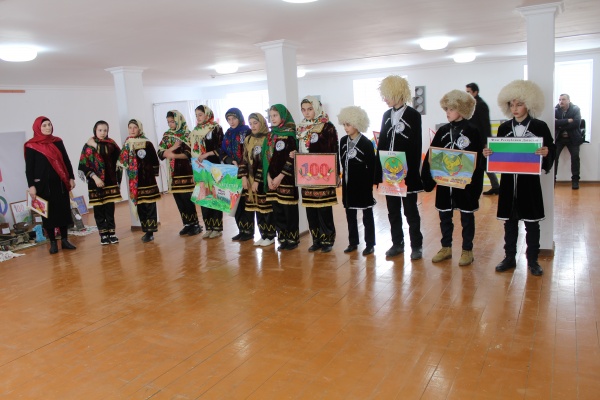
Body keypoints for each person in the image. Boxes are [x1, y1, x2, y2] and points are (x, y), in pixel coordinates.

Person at [483, 80, 555, 276]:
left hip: (529, 184)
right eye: (512, 104)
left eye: (519, 104)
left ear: (529, 104)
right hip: (508, 183)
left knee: (532, 223)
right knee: (509, 223)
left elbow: (551, 148)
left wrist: (547, 152)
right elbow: (498, 153)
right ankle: (509, 258)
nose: (515, 108)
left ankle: (533, 260)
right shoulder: (504, 128)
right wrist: (489, 153)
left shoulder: (540, 126)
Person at [421, 90, 484, 266]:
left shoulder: (473, 131)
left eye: (451, 109)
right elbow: (432, 155)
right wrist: (427, 179)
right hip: (444, 183)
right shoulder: (442, 130)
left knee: (466, 218)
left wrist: (475, 186)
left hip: (465, 185)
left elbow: (478, 160)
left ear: (462, 109)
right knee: (444, 216)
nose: (447, 112)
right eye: (446, 109)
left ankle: (467, 250)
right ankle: (446, 247)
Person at [376, 75, 424, 260]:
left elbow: (416, 146)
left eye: (387, 95)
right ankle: (397, 243)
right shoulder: (386, 115)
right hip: (388, 172)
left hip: (406, 173)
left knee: (410, 211)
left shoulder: (413, 115)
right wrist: (378, 173)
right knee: (392, 211)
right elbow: (382, 143)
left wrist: (410, 172)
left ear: (397, 93)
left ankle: (416, 245)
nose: (385, 99)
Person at [25, 116, 77, 254]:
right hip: (43, 186)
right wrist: (31, 186)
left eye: (49, 124)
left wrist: (71, 177)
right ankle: (53, 242)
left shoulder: (57, 141)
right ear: (37, 128)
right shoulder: (31, 145)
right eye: (44, 125)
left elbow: (66, 160)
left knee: (63, 211)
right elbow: (29, 168)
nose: (48, 127)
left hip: (60, 183)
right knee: (48, 214)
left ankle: (65, 240)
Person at [297, 96, 339, 253]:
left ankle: (327, 239)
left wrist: (337, 173)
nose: (307, 112)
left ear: (317, 108)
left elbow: (334, 150)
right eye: (303, 110)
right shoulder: (300, 128)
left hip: (323, 173)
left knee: (324, 208)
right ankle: (316, 240)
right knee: (311, 209)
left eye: (310, 109)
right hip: (306, 174)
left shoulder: (327, 127)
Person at [338, 106, 377, 256]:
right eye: (344, 124)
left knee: (367, 216)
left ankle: (370, 244)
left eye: (348, 124)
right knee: (350, 215)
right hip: (348, 186)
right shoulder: (343, 141)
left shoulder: (366, 143)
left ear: (357, 123)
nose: (345, 128)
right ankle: (353, 242)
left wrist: (369, 186)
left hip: (363, 186)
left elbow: (372, 166)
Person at [157, 110, 201, 237]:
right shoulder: (167, 135)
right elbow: (160, 153)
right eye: (168, 122)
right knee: (179, 199)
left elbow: (188, 154)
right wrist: (172, 149)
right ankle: (187, 224)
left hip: (186, 171)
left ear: (178, 120)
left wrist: (172, 155)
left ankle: (195, 224)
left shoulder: (187, 134)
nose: (170, 124)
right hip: (173, 174)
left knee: (187, 199)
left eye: (172, 121)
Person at [78, 120, 122, 245]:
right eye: (100, 130)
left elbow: (119, 158)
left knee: (109, 209)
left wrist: (94, 144)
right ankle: (103, 235)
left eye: (105, 130)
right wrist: (95, 178)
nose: (103, 133)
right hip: (94, 182)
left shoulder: (111, 144)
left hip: (110, 181)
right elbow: (83, 165)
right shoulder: (88, 146)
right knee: (99, 210)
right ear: (95, 130)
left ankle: (112, 233)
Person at [118, 119, 161, 243]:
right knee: (141, 206)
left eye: (135, 127)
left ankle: (151, 231)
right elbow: (122, 161)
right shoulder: (127, 144)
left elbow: (154, 161)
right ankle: (145, 230)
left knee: (150, 205)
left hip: (148, 181)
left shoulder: (147, 143)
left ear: (139, 129)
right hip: (135, 183)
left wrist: (152, 174)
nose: (132, 130)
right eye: (130, 127)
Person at [238, 112, 276, 246]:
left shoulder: (268, 138)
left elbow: (265, 162)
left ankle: (270, 236)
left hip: (262, 179)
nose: (253, 126)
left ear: (262, 123)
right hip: (249, 179)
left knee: (266, 208)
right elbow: (243, 159)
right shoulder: (248, 139)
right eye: (250, 124)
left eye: (255, 123)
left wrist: (257, 180)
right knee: (256, 208)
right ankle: (263, 234)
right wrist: (243, 177)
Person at [216, 108, 252, 241]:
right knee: (235, 201)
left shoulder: (246, 131)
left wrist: (241, 164)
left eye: (234, 118)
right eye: (229, 119)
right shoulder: (228, 133)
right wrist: (230, 160)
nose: (231, 122)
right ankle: (241, 229)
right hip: (232, 172)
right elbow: (222, 152)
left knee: (245, 202)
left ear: (239, 118)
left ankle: (249, 231)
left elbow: (248, 151)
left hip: (245, 171)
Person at [267, 104, 299, 251]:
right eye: (271, 116)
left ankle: (292, 239)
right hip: (272, 180)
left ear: (283, 116)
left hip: (286, 179)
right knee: (277, 210)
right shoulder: (270, 136)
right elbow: (266, 159)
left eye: (275, 115)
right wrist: (268, 177)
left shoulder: (290, 135)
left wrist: (280, 177)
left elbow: (291, 159)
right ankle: (283, 238)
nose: (272, 119)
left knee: (289, 210)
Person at [189, 105, 224, 239]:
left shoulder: (215, 128)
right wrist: (194, 171)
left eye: (200, 115)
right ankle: (208, 227)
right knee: (203, 198)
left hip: (213, 167)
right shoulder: (195, 131)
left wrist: (207, 154)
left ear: (207, 114)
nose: (198, 118)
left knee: (214, 197)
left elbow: (221, 148)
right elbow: (192, 153)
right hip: (199, 169)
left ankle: (217, 228)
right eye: (196, 115)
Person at [466, 83, 500, 195]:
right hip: (472, 140)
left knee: (484, 163)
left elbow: (485, 125)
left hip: (480, 140)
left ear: (475, 92)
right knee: (477, 163)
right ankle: (495, 186)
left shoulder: (480, 105)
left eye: (469, 92)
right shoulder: (471, 105)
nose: (467, 94)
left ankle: (495, 186)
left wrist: (486, 142)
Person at [554, 94, 584, 189]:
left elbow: (576, 123)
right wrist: (568, 120)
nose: (561, 101)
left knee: (575, 158)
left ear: (568, 100)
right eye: (559, 99)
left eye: (563, 99)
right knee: (554, 157)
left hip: (573, 138)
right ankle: (553, 179)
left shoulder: (575, 109)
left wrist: (560, 124)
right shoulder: (555, 109)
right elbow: (553, 123)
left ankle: (575, 181)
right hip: (559, 138)